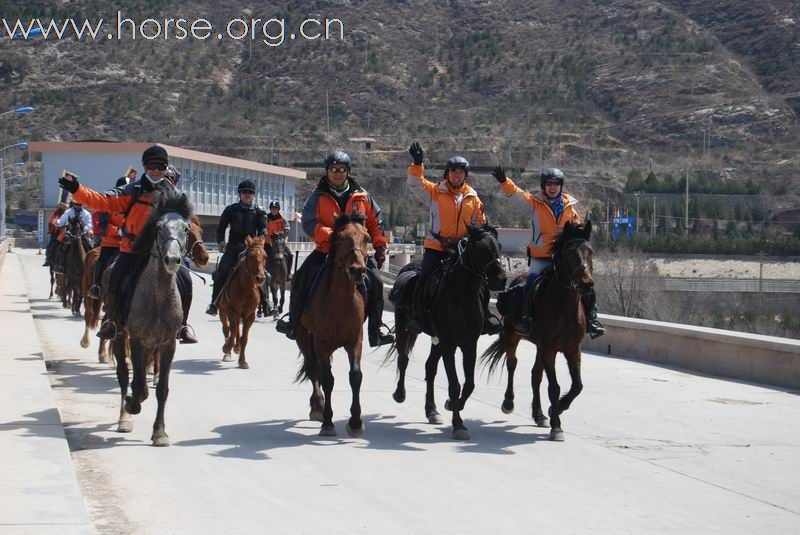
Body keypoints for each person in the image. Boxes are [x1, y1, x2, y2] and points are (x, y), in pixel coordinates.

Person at [58, 145, 194, 342]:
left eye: (160, 166)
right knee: (114, 277)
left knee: (186, 279)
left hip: (164, 253)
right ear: (145, 167)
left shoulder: (175, 195)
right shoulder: (132, 190)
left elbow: (185, 223)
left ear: (166, 168)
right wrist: (77, 190)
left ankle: (182, 326)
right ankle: (113, 321)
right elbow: (103, 201)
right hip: (133, 250)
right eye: (152, 166)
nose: (156, 171)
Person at [275, 150, 394, 347]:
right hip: (326, 251)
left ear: (348, 171)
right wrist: (332, 235)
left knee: (378, 282)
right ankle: (293, 323)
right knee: (300, 277)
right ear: (327, 172)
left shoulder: (362, 196)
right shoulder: (317, 196)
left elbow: (375, 223)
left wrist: (380, 246)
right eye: (333, 170)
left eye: (341, 169)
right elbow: (308, 222)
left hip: (356, 253)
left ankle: (376, 331)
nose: (337, 173)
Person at [493, 166, 605, 338]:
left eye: (556, 184)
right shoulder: (535, 203)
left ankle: (592, 320)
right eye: (549, 184)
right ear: (543, 186)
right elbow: (518, 196)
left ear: (561, 186)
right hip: (541, 257)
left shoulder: (569, 206)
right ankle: (526, 320)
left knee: (586, 284)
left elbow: (576, 229)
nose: (552, 187)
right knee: (530, 285)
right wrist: (504, 182)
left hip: (564, 259)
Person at [406, 142, 501, 335]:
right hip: (437, 246)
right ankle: (417, 315)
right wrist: (417, 164)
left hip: (463, 250)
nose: (456, 175)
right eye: (453, 171)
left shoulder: (473, 198)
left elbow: (481, 224)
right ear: (447, 173)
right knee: (424, 276)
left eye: (460, 172)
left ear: (465, 175)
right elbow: (415, 183)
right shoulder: (434, 192)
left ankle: (485, 316)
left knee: (480, 280)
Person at [205, 180, 268, 316]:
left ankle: (267, 304)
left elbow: (263, 229)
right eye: (244, 192)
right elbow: (221, 227)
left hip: (250, 249)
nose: (247, 194)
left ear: (253, 195)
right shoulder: (231, 209)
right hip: (233, 248)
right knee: (221, 272)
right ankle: (214, 303)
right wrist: (221, 242)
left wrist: (260, 240)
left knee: (263, 274)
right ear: (239, 193)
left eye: (250, 192)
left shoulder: (259, 212)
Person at [88, 177, 128, 300]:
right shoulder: (107, 204)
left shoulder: (134, 204)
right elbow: (103, 226)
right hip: (111, 244)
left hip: (128, 244)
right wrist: (118, 231)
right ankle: (96, 286)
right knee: (102, 259)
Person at [53, 201, 94, 270]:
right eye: (76, 204)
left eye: (80, 204)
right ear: (74, 204)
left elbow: (89, 224)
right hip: (70, 233)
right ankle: (60, 265)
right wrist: (57, 222)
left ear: (82, 204)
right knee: (61, 246)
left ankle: (91, 266)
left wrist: (83, 229)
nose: (78, 206)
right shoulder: (68, 212)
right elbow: (62, 221)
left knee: (90, 245)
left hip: (82, 234)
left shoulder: (87, 214)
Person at [266, 200, 294, 274]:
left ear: (278, 210)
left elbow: (287, 230)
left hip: (279, 244)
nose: (274, 210)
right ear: (270, 209)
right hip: (268, 243)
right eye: (272, 209)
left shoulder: (283, 220)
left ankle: (288, 273)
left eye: (275, 209)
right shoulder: (265, 219)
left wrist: (281, 234)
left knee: (289, 255)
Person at [42, 202, 68, 267]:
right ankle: (48, 259)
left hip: (67, 232)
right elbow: (51, 222)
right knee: (51, 246)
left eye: (64, 206)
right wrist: (50, 231)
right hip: (56, 232)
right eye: (62, 206)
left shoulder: (68, 213)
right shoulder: (56, 213)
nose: (63, 207)